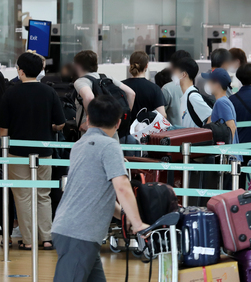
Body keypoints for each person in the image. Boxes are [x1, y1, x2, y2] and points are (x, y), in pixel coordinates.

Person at [51, 95, 149, 282]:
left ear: (87, 119)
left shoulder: (79, 145)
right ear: (118, 123)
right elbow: (122, 187)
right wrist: (138, 224)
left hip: (72, 229)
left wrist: (124, 215)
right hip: (80, 234)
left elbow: (98, 195)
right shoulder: (109, 146)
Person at [0, 52, 66, 250]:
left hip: (17, 152)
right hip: (44, 152)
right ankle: (46, 238)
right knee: (43, 194)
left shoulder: (10, 93)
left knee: (22, 196)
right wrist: (50, 127)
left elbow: (3, 129)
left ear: (20, 70)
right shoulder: (49, 92)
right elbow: (60, 123)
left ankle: (28, 240)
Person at [72, 50, 136, 138]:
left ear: (78, 66)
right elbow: (131, 93)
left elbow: (89, 97)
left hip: (92, 135)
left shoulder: (81, 81)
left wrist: (89, 122)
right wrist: (121, 117)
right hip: (111, 131)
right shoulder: (106, 78)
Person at [122, 51, 167, 120]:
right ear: (146, 66)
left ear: (130, 64)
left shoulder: (122, 86)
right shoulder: (154, 88)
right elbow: (162, 115)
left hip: (125, 129)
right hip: (147, 129)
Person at [204, 68, 238, 145]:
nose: (208, 84)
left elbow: (232, 127)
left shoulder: (221, 102)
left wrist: (227, 152)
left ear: (217, 85)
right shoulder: (225, 101)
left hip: (229, 154)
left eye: (209, 81)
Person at [176, 57, 211, 128]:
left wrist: (204, 134)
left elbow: (212, 116)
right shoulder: (185, 96)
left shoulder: (193, 96)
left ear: (183, 74)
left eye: (175, 72)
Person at [162, 50, 192, 126]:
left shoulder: (167, 89)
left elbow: (160, 115)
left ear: (172, 66)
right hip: (193, 133)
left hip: (174, 134)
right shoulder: (194, 87)